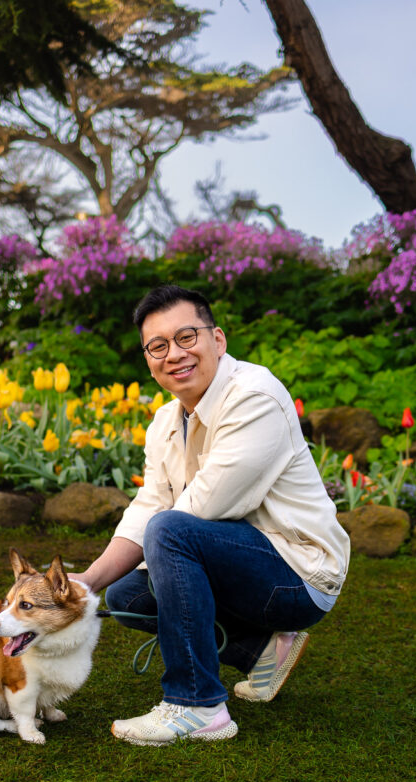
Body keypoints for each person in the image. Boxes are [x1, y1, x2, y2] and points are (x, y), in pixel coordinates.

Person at [73, 284, 350, 747]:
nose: (174, 354)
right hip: (244, 564)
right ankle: (261, 651)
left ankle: (197, 704)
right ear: (148, 358)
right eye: (158, 346)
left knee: (171, 532)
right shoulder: (165, 421)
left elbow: (199, 511)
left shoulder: (254, 396)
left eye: (187, 338)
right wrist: (87, 583)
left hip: (299, 577)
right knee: (127, 594)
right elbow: (149, 505)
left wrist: (158, 540)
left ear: (217, 340)